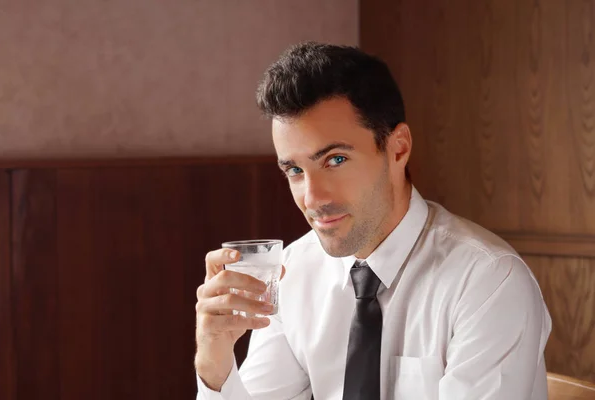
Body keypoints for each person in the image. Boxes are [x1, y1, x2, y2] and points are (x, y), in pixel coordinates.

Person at [194, 42, 552, 400]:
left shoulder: (487, 281)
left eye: (335, 160)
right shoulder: (291, 275)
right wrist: (214, 366)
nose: (312, 198)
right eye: (295, 170)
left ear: (398, 147)